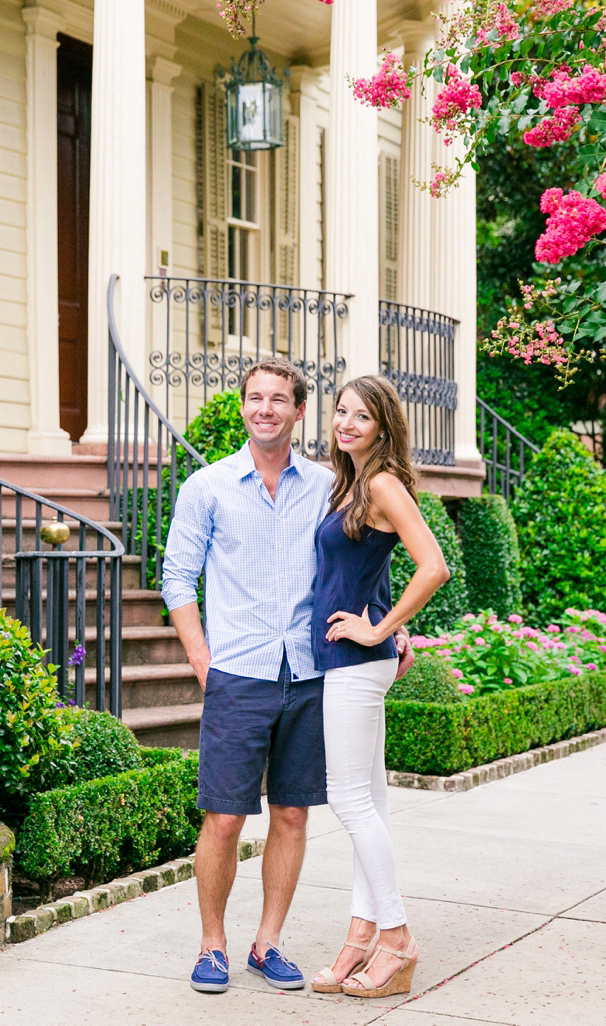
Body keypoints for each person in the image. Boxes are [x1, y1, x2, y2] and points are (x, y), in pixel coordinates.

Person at [160, 358, 336, 995]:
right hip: (237, 671)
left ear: (298, 411)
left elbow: (352, 562)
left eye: (279, 399)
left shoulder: (326, 485)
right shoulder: (207, 487)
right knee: (225, 819)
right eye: (255, 398)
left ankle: (268, 943)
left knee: (291, 815)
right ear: (243, 408)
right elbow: (176, 577)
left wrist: (383, 623)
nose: (266, 408)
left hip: (308, 672)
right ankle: (213, 945)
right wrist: (201, 659)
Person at [308, 374, 449, 999]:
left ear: (383, 426)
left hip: (354, 663)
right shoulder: (353, 485)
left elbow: (434, 565)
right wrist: (388, 625)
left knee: (348, 800)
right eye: (341, 412)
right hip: (349, 660)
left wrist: (382, 630)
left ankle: (396, 938)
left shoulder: (383, 484)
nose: (346, 424)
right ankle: (361, 934)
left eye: (361, 416)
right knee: (371, 799)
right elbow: (366, 569)